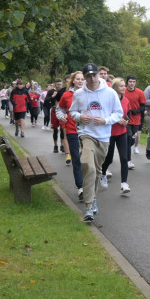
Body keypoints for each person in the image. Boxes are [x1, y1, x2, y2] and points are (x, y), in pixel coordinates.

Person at [69, 63, 124, 222]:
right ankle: (87, 207)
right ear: (84, 77)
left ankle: (92, 199)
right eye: (88, 76)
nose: (92, 78)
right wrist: (80, 117)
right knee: (87, 165)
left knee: (96, 171)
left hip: (104, 137)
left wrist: (106, 120)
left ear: (98, 75)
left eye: (94, 75)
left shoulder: (110, 93)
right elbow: (73, 111)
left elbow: (118, 113)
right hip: (86, 134)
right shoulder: (79, 94)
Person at [55, 71, 85, 201]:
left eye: (82, 79)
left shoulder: (89, 94)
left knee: (88, 160)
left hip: (87, 131)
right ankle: (80, 187)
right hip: (72, 129)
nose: (80, 81)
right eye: (78, 79)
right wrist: (61, 116)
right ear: (73, 81)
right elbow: (59, 109)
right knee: (76, 159)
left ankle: (90, 183)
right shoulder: (67, 95)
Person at [101, 78, 133, 195]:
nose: (124, 88)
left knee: (124, 158)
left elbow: (128, 114)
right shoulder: (109, 100)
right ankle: (103, 173)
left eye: (124, 86)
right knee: (108, 158)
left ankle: (124, 184)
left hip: (122, 133)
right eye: (121, 86)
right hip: (109, 133)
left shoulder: (126, 100)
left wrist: (125, 121)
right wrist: (117, 120)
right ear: (115, 88)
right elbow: (105, 115)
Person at [124, 75, 147, 161]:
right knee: (128, 136)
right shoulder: (123, 91)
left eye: (133, 82)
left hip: (136, 119)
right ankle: (128, 159)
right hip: (126, 117)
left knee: (133, 139)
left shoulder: (140, 92)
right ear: (127, 82)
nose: (132, 83)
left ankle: (126, 147)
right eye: (130, 81)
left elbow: (143, 106)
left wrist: (137, 111)